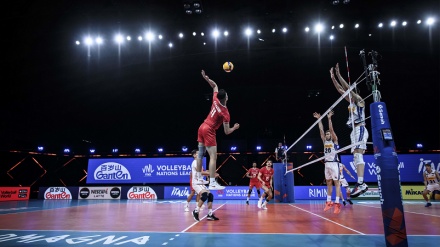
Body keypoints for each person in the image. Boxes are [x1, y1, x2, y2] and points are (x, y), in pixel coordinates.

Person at [195, 70, 240, 190]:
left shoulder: (215, 99)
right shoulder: (225, 113)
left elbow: (214, 85)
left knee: (200, 154)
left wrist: (206, 78)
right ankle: (212, 182)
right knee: (213, 157)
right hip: (209, 130)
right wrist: (234, 128)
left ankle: (199, 177)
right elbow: (226, 132)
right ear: (226, 98)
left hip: (202, 126)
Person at [330, 63, 369, 198]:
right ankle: (360, 183)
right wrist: (333, 77)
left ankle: (361, 183)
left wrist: (339, 74)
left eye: (351, 89)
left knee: (358, 154)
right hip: (353, 131)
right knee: (356, 156)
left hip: (360, 128)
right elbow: (341, 90)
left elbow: (346, 88)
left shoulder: (359, 100)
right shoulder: (351, 102)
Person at [313, 110, 342, 214]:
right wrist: (319, 120)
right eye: (327, 134)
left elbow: (331, 129)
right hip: (327, 164)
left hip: (334, 163)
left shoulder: (335, 140)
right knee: (329, 183)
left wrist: (329, 119)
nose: (328, 134)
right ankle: (328, 202)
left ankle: (337, 203)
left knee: (336, 183)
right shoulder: (325, 141)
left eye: (328, 133)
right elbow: (321, 130)